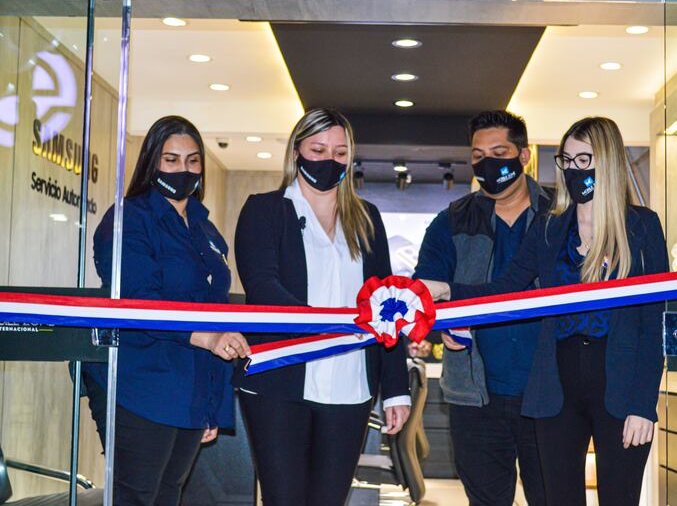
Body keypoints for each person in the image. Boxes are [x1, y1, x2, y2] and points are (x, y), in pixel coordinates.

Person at [424, 117, 668, 506]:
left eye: (584, 159)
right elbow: (504, 291)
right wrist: (448, 290)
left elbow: (653, 323)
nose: (573, 170)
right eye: (566, 160)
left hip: (619, 387)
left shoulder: (641, 228)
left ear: (606, 162)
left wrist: (644, 405)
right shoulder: (549, 228)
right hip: (556, 389)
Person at [233, 108, 411, 506]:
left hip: (350, 387)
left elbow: (387, 306)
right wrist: (334, 326)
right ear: (296, 151)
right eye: (318, 149)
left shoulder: (367, 219)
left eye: (340, 152)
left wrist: (396, 390)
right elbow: (263, 288)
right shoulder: (264, 210)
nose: (330, 160)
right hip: (279, 385)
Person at [83, 115, 249, 505]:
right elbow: (139, 300)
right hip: (140, 384)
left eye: (192, 161)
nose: (183, 169)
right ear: (151, 162)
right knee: (136, 496)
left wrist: (211, 403)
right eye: (171, 160)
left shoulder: (205, 229)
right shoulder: (128, 219)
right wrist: (209, 339)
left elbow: (215, 307)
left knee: (169, 495)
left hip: (190, 389)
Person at [413, 110, 548, 506]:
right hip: (474, 399)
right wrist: (443, 327)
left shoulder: (560, 214)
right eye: (477, 155)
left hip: (548, 396)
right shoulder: (449, 221)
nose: (486, 163)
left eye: (499, 151)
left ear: (524, 155)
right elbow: (425, 296)